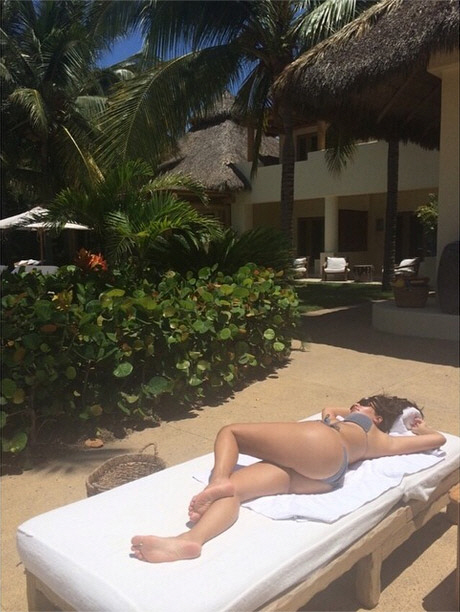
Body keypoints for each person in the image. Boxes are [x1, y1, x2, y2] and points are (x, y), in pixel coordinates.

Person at [131, 394, 446, 563]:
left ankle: (218, 480)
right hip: (327, 478)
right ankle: (190, 541)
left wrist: (357, 411)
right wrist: (420, 428)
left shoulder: (359, 422)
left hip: (320, 446)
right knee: (236, 492)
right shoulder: (384, 442)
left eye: (365, 404)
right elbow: (437, 440)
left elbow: (329, 409)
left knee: (231, 432)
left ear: (377, 417)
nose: (355, 405)